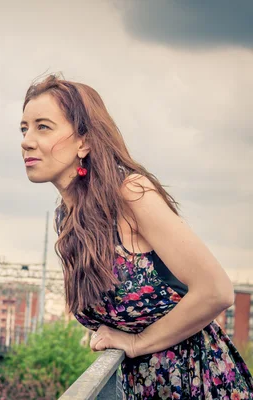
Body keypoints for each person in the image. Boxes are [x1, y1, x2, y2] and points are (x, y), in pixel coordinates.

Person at [20, 74, 253, 399]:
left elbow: (217, 291)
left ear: (83, 141)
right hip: (141, 386)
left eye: (43, 127)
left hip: (196, 382)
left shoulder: (129, 192)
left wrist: (136, 342)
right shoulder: (70, 217)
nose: (27, 140)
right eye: (24, 128)